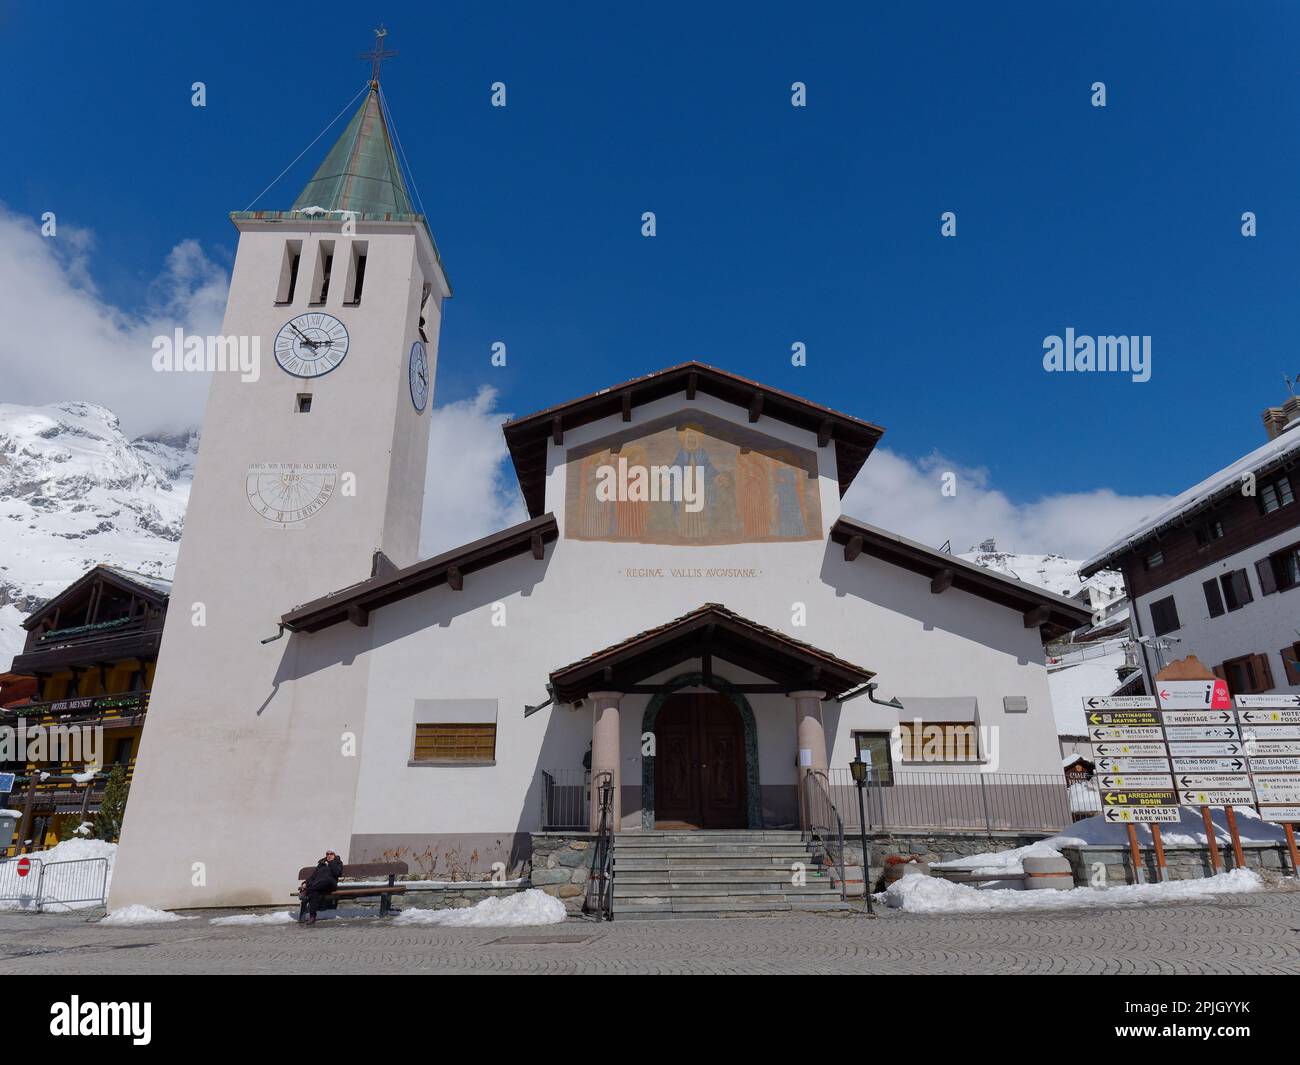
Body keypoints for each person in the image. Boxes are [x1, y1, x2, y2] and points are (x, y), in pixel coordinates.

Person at [298, 849, 343, 925]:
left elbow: (337, 873)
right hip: (318, 886)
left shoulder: (337, 862)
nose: (329, 855)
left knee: (324, 882)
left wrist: (331, 862)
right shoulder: (322, 863)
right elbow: (314, 876)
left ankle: (306, 891)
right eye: (327, 854)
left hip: (330, 885)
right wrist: (305, 882)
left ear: (334, 855)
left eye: (331, 854)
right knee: (314, 893)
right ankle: (312, 917)